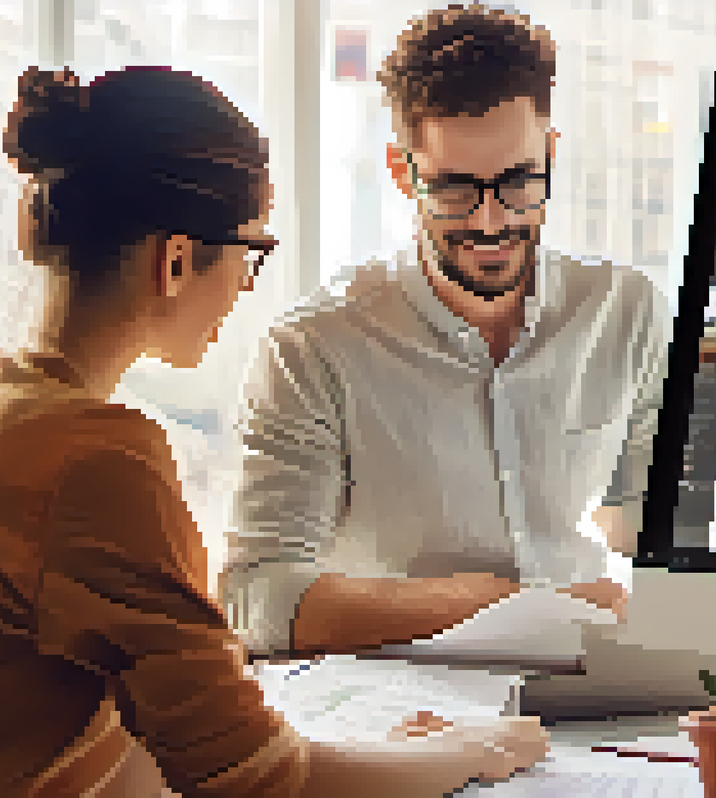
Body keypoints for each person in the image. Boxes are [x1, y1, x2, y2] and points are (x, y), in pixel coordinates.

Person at [0, 64, 549, 798]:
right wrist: (474, 752)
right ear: (176, 259)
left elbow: (156, 740)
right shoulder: (96, 462)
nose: (247, 289)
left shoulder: (9, 408)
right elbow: (260, 784)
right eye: (252, 255)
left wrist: (378, 756)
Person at [219, 3, 666, 738]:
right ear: (403, 172)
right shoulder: (315, 345)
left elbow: (657, 529)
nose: (492, 223)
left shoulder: (625, 311)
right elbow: (256, 596)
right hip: (396, 719)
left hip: (591, 703)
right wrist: (503, 604)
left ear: (552, 152)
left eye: (520, 181)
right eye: (455, 188)